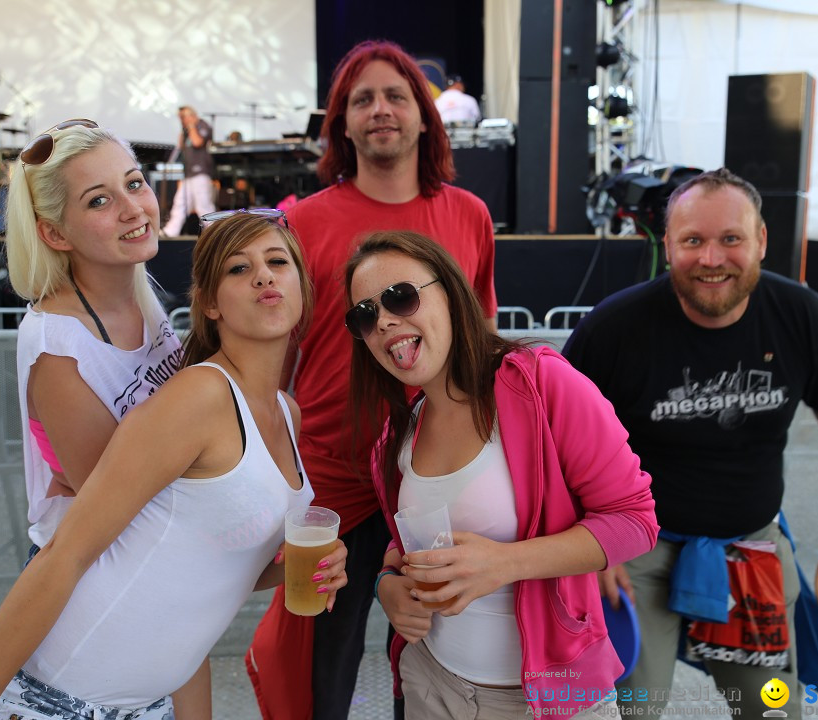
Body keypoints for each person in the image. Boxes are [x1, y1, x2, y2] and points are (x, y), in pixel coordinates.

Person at [0, 210, 348, 720]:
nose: (263, 275)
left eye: (277, 261)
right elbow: (66, 553)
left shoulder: (288, 414)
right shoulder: (199, 396)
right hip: (49, 700)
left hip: (147, 704)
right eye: (239, 269)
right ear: (211, 305)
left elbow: (217, 565)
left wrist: (307, 569)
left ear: (302, 287)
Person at [562, 168, 818, 717]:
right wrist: (586, 545)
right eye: (693, 240)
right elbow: (556, 441)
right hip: (634, 550)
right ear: (667, 246)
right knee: (634, 706)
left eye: (730, 239)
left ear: (761, 241)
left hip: (750, 550)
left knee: (772, 707)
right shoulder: (614, 327)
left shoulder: (801, 315)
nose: (711, 259)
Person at [246, 39, 497, 720]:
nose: (380, 109)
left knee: (434, 674)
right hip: (334, 487)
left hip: (436, 480)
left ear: (425, 117)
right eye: (362, 99)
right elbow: (274, 355)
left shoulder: (469, 215)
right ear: (342, 124)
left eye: (396, 95)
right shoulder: (302, 223)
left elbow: (482, 350)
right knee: (316, 688)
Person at [344, 230, 658, 718]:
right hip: (431, 684)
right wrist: (389, 580)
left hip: (549, 698)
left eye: (399, 298)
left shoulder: (542, 383)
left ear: (449, 292)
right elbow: (412, 543)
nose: (384, 320)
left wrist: (506, 563)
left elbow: (635, 521)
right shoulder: (395, 438)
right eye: (364, 315)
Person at [0, 118, 214, 716]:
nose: (133, 208)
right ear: (54, 233)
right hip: (91, 596)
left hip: (164, 579)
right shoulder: (57, 345)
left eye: (135, 183)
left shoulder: (144, 301)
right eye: (99, 200)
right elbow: (123, 507)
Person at [163, 106, 216, 236]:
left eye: (184, 117)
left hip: (200, 173)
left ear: (192, 115)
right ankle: (170, 231)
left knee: (203, 205)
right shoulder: (186, 131)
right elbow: (181, 146)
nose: (182, 120)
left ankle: (214, 231)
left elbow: (198, 142)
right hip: (188, 174)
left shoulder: (202, 126)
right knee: (180, 203)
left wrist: (191, 126)